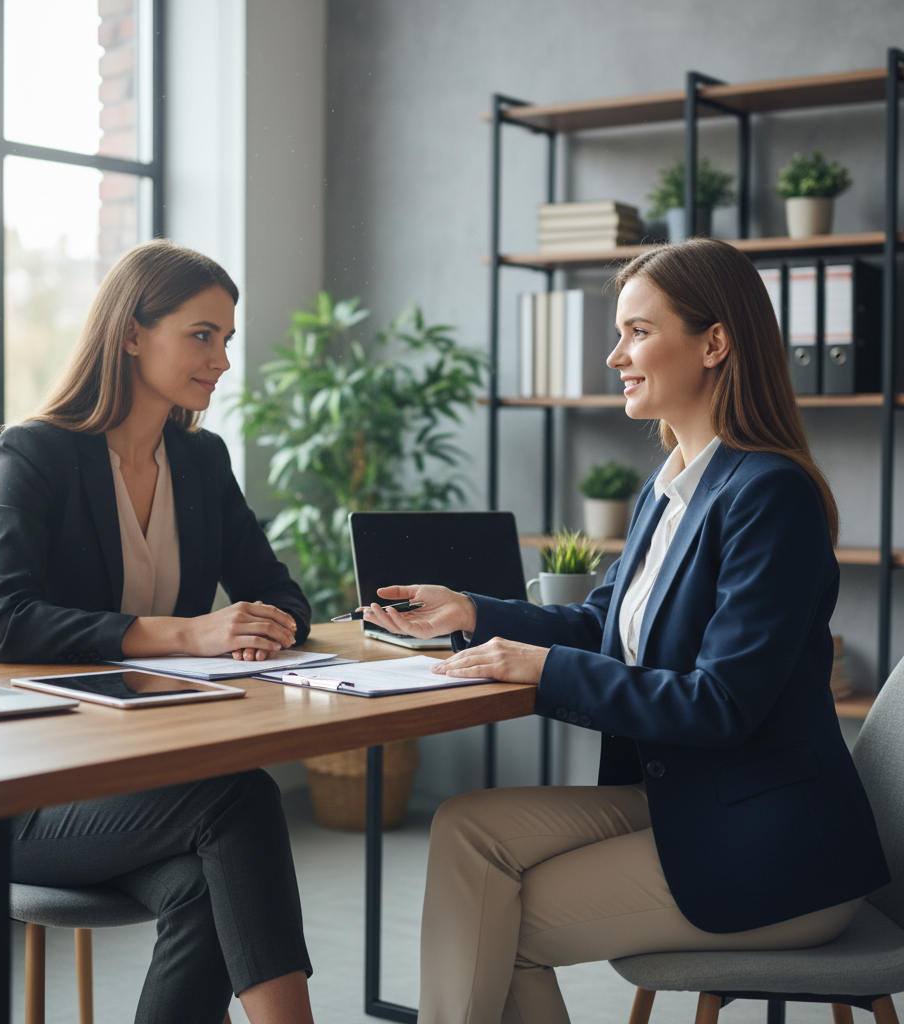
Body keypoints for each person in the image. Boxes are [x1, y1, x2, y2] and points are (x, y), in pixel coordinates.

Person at [364, 238, 890, 1024]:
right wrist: (474, 614)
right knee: (466, 829)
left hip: (774, 845)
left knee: (489, 917)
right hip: (691, 800)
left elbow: (719, 705)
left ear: (715, 343)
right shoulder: (672, 487)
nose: (615, 356)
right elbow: (602, 624)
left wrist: (540, 669)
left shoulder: (770, 495)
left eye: (637, 332)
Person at [0, 240, 317, 1024]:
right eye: (201, 335)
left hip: (140, 776)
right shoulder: (37, 452)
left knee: (214, 889)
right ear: (132, 333)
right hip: (25, 792)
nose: (220, 360)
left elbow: (280, 591)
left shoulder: (203, 460)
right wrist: (187, 635)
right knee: (240, 801)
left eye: (227, 341)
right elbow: (5, 621)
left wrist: (258, 628)